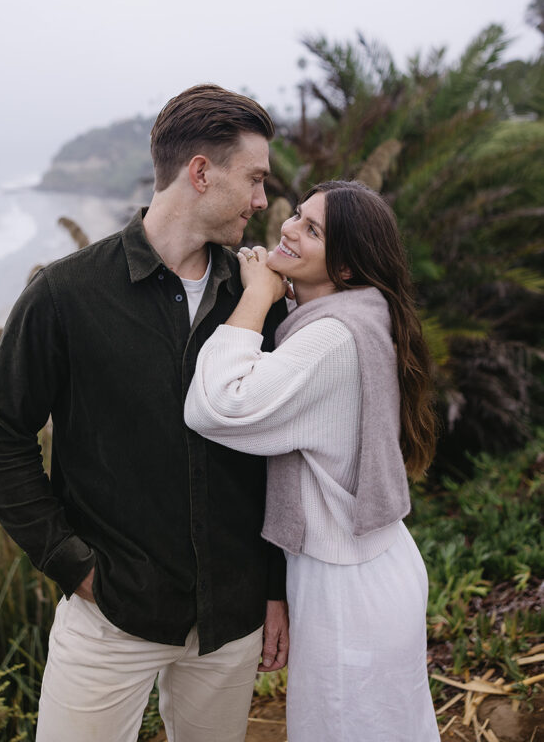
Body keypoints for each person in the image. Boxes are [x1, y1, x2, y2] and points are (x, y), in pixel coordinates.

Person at [0, 84, 289, 742]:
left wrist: (274, 586)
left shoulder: (260, 297)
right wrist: (71, 565)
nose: (262, 201)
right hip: (108, 618)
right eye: (254, 179)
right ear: (200, 172)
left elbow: (283, 452)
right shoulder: (64, 293)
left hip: (231, 622)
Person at [184, 180, 440, 742]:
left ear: (346, 269)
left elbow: (216, 406)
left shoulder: (329, 341)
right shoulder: (361, 314)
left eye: (312, 229)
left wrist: (257, 294)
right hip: (368, 565)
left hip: (349, 584)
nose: (289, 227)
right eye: (298, 214)